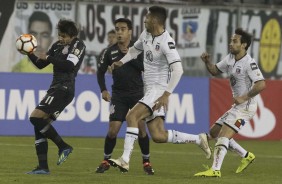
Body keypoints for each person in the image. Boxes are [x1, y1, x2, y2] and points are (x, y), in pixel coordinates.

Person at [108, 6, 211, 173]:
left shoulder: (166, 42)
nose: (145, 20)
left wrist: (166, 94)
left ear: (155, 20)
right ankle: (199, 139)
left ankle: (125, 160)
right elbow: (135, 50)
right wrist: (122, 61)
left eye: (147, 17)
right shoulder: (146, 34)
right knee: (158, 135)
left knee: (132, 116)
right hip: (149, 89)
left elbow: (178, 70)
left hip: (158, 90)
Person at [194, 28, 266, 177]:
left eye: (235, 41)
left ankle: (215, 169)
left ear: (244, 45)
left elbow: (261, 84)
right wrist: (207, 62)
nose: (230, 43)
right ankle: (246, 156)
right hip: (238, 106)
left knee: (223, 136)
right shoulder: (230, 59)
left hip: (245, 107)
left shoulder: (249, 63)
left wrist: (244, 97)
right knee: (213, 132)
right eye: (231, 40)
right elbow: (214, 71)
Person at [25, 19, 86, 174]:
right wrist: (29, 53)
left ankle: (63, 146)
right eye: (60, 35)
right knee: (40, 126)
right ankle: (43, 167)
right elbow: (41, 64)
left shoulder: (78, 45)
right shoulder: (57, 46)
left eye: (64, 36)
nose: (61, 38)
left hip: (64, 88)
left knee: (35, 118)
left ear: (72, 35)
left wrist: (50, 58)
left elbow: (69, 65)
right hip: (55, 88)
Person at [96, 18, 154, 175]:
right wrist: (103, 90)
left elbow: (146, 68)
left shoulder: (140, 49)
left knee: (141, 130)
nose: (119, 32)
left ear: (130, 31)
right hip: (119, 96)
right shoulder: (110, 51)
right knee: (113, 131)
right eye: (117, 29)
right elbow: (100, 72)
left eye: (122, 29)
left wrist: (131, 56)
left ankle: (146, 162)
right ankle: (105, 160)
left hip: (137, 95)